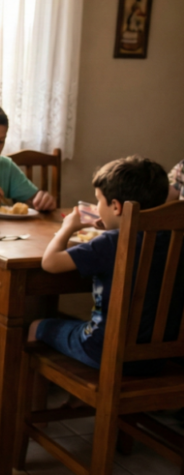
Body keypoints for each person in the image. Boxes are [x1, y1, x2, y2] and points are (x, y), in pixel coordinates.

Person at [31, 156, 179, 374]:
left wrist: (67, 227)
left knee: (37, 327)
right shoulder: (175, 238)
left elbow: (50, 263)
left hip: (104, 349)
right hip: (161, 355)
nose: (98, 207)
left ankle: (34, 394)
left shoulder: (111, 243)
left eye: (99, 200)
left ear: (116, 206)